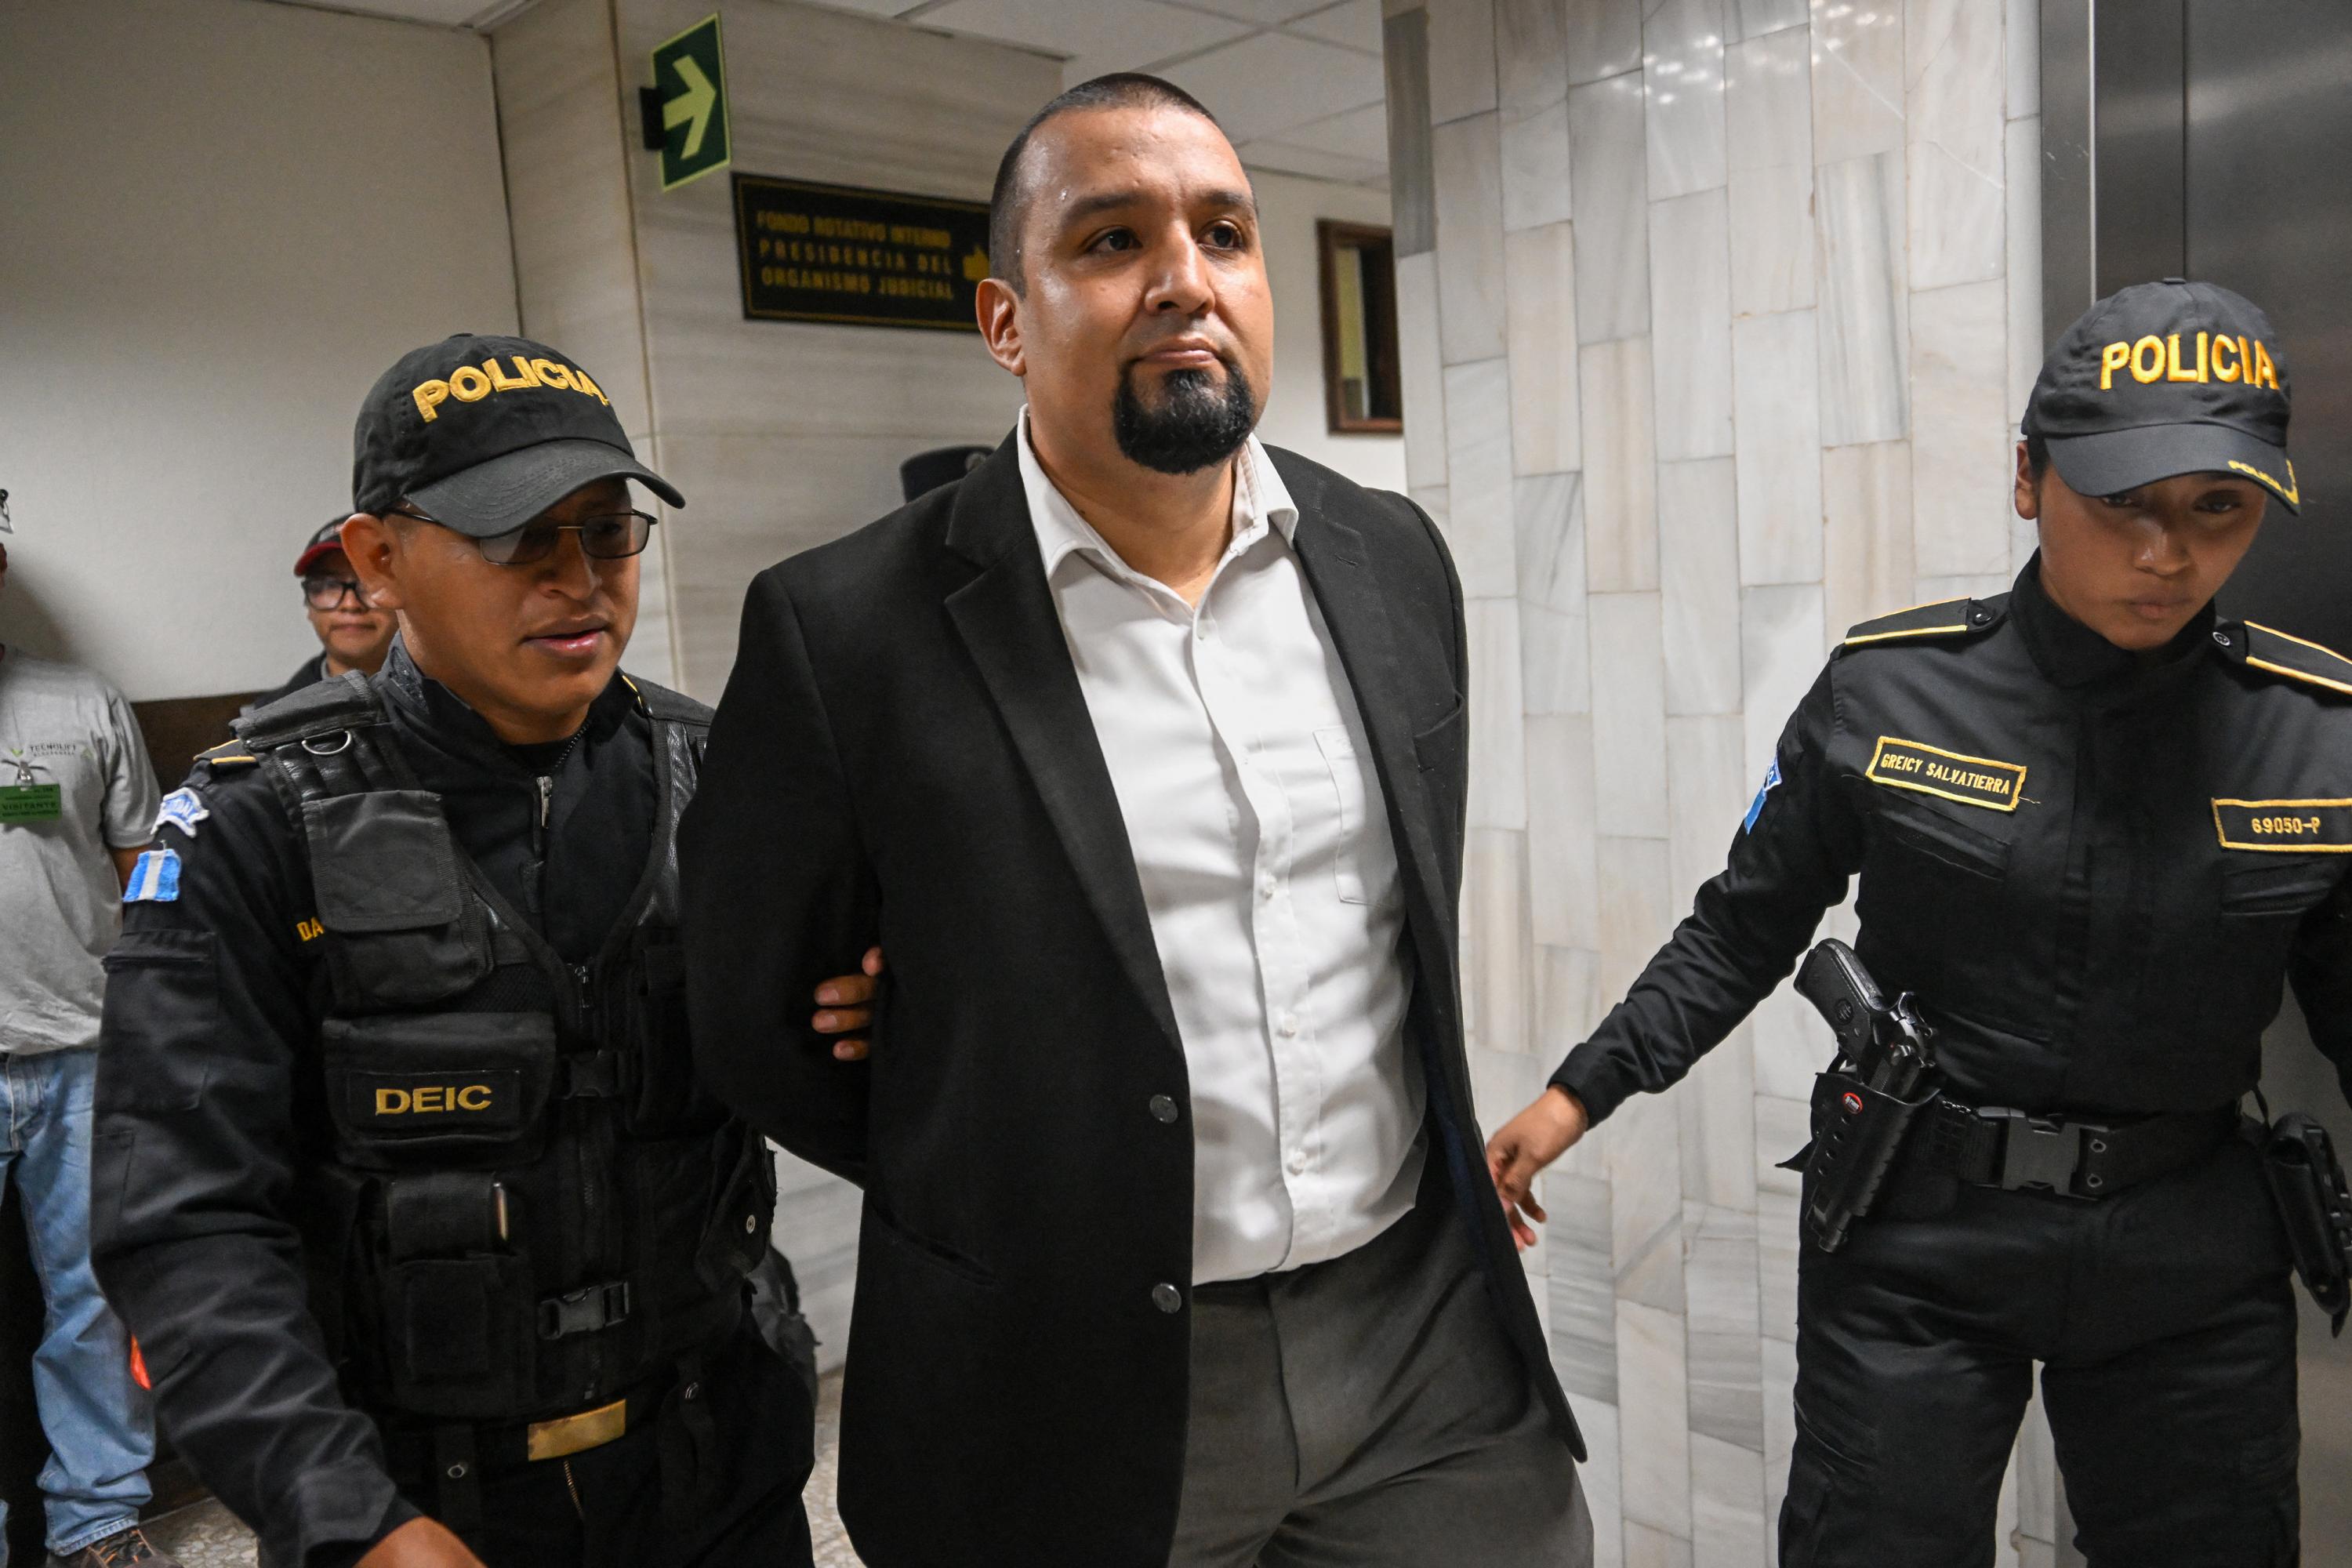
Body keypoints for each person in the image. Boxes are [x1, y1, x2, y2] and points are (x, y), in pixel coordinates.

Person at [680, 74, 1592, 1568]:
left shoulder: (1389, 557)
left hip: (1427, 1348)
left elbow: (1393, 919)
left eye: (1224, 233)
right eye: (1110, 241)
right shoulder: (844, 630)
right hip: (1070, 1371)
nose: (1186, 279)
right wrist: (983, 1100)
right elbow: (755, 1018)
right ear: (1005, 323)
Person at [1486, 279, 2337, 1566]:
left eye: (2215, 510)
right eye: (2124, 506)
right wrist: (1577, 1096)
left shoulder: (2317, 738)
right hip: (1919, 1241)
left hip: (2189, 1256)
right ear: (2026, 479)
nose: (2168, 554)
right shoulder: (1892, 691)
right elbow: (1744, 924)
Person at [90, 333, 869, 1568]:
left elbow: (834, 1074)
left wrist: (875, 1017)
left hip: (721, 1481)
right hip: (423, 1509)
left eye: (607, 531)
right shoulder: (254, 822)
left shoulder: (722, 774)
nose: (579, 579)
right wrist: (350, 1521)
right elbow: (186, 1224)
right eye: (520, 538)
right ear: (378, 559)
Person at [0, 517, 180, 1568]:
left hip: (83, 1052)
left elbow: (143, 869)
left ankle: (99, 1522)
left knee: (94, 1304)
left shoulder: (82, 699)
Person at [248, 517, 398, 710]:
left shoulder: (443, 704)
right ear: (309, 607)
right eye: (329, 586)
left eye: (369, 583)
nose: (350, 604)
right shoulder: (267, 719)